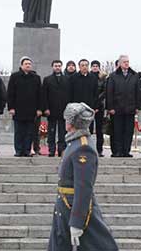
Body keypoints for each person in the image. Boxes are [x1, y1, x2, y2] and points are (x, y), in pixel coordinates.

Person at [47, 102, 119, 251]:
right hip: (65, 206)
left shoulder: (83, 147)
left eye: (68, 119)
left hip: (73, 207)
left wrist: (77, 222)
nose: (65, 122)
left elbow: (83, 188)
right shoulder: (74, 142)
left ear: (72, 123)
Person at [106, 55, 141, 158]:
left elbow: (137, 92)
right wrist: (110, 107)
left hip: (130, 109)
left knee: (128, 131)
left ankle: (126, 151)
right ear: (120, 63)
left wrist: (137, 107)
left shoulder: (134, 75)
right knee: (117, 131)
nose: (126, 63)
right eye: (124, 62)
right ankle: (117, 151)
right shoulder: (113, 76)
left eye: (128, 62)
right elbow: (109, 92)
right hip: (117, 109)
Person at [7, 56, 42, 157]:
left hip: (31, 110)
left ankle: (27, 150)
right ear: (21, 65)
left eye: (29, 64)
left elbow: (40, 94)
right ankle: (18, 150)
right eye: (26, 64)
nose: (28, 65)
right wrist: (11, 107)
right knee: (19, 131)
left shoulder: (36, 78)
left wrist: (39, 108)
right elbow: (10, 93)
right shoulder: (15, 76)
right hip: (18, 109)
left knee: (29, 132)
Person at [42, 60, 69, 157]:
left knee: (63, 132)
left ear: (61, 67)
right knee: (51, 131)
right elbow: (44, 95)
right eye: (55, 66)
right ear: (52, 67)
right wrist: (46, 108)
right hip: (51, 110)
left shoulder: (67, 79)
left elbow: (69, 95)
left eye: (59, 66)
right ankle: (51, 150)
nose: (57, 67)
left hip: (63, 110)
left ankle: (61, 150)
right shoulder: (47, 79)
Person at [90, 60, 107, 157]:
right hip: (89, 107)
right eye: (93, 66)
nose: (95, 67)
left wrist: (96, 103)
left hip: (99, 106)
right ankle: (90, 148)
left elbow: (105, 92)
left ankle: (99, 149)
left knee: (99, 129)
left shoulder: (103, 78)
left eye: (96, 66)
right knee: (89, 129)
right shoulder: (88, 77)